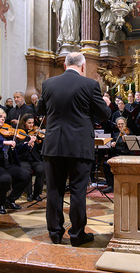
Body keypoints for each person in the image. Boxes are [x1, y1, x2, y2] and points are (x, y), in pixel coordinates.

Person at [36, 52, 111, 246]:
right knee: (78, 191)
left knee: (54, 190)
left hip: (53, 146)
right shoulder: (90, 85)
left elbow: (40, 111)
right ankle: (77, 235)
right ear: (83, 67)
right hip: (78, 146)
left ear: (64, 64)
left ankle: (55, 233)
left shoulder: (48, 84)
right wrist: (106, 104)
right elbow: (104, 114)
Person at [18, 113, 45, 202]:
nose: (31, 125)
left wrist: (41, 140)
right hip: (23, 159)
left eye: (32, 123)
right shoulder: (20, 133)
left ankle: (37, 194)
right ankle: (29, 193)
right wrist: (28, 143)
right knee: (27, 170)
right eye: (29, 123)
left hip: (34, 159)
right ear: (24, 123)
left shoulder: (35, 132)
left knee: (41, 169)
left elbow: (40, 148)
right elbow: (18, 149)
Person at [102, 117, 132, 194]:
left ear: (125, 124)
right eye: (118, 124)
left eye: (122, 124)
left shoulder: (129, 133)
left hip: (127, 155)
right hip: (117, 156)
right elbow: (112, 149)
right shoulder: (116, 135)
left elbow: (133, 148)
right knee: (106, 164)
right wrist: (112, 144)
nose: (120, 125)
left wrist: (127, 141)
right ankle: (111, 185)